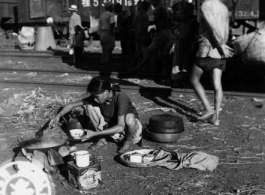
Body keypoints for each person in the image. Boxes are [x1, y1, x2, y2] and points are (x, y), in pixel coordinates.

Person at [49, 76, 142, 153]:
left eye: (97, 97)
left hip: (131, 132)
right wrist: (58, 116)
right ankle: (102, 139)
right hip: (114, 132)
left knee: (129, 119)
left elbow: (121, 127)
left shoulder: (121, 97)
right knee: (90, 107)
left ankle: (127, 142)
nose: (95, 99)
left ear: (106, 92)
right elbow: (72, 105)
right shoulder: (98, 97)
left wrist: (94, 133)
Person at [190, 0, 234, 126]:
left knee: (194, 79)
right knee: (217, 83)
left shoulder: (206, 5)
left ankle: (208, 108)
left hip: (208, 49)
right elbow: (225, 29)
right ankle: (216, 119)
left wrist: (220, 45)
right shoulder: (223, 7)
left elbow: (212, 27)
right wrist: (223, 45)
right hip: (220, 51)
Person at [128, 0, 171, 74]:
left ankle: (137, 68)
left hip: (160, 33)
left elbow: (157, 20)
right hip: (166, 32)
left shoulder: (158, 9)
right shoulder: (165, 9)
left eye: (152, 1)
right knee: (163, 54)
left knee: (149, 51)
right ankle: (164, 72)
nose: (152, 3)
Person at [171, 3, 198, 87]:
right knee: (179, 60)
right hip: (181, 42)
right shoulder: (181, 24)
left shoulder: (190, 23)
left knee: (185, 61)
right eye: (181, 14)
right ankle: (177, 79)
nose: (183, 16)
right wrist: (177, 36)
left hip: (187, 42)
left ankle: (182, 79)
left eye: (184, 14)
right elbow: (172, 30)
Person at [98, 1, 115, 71]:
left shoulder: (102, 15)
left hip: (102, 34)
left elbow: (99, 27)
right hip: (108, 33)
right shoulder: (111, 15)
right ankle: (107, 68)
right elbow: (112, 23)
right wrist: (112, 31)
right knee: (108, 53)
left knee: (103, 52)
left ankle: (102, 67)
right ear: (110, 7)